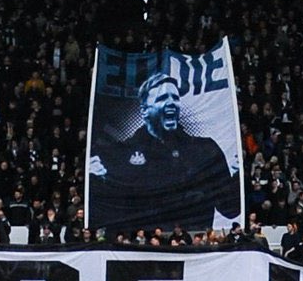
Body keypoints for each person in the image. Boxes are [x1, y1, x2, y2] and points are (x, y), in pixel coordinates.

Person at [87, 70, 236, 233]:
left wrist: (237, 177)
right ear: (144, 111)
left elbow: (230, 209)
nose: (171, 103)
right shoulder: (119, 153)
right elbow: (110, 214)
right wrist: (96, 182)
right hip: (141, 248)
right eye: (162, 98)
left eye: (175, 98)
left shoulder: (205, 150)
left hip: (193, 245)